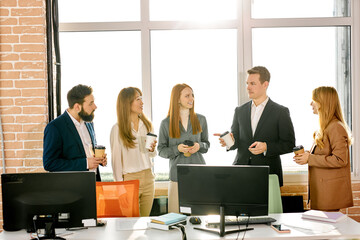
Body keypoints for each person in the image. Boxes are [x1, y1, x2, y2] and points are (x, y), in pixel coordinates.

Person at [215, 66, 295, 186]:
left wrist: (266, 147)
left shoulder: (280, 112)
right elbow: (236, 141)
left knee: (268, 206)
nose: (248, 87)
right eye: (247, 83)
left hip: (268, 174)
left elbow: (289, 144)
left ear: (265, 84)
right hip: (240, 173)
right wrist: (229, 142)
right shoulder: (239, 111)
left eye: (253, 83)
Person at [293, 86, 353, 211]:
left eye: (314, 100)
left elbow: (340, 160)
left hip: (330, 195)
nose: (311, 103)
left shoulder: (336, 127)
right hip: (322, 193)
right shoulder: (325, 127)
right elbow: (323, 154)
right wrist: (307, 155)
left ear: (323, 102)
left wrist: (310, 158)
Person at [158, 83, 210, 213]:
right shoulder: (166, 123)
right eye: (187, 96)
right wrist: (177, 149)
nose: (191, 98)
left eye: (192, 95)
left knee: (199, 216)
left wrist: (199, 146)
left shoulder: (201, 119)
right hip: (177, 177)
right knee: (175, 217)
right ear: (177, 99)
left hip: (199, 174)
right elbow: (160, 150)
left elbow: (206, 145)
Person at [43, 84, 106, 181]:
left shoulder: (89, 123)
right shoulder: (55, 127)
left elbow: (88, 152)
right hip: (72, 188)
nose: (95, 107)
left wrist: (99, 160)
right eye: (91, 103)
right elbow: (49, 163)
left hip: (94, 184)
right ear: (77, 107)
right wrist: (85, 163)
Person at [110, 87, 157, 217]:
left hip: (148, 177)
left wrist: (152, 150)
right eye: (138, 99)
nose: (142, 102)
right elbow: (116, 162)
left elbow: (150, 154)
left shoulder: (147, 125)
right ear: (127, 103)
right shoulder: (117, 129)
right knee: (130, 224)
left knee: (144, 222)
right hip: (130, 180)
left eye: (141, 98)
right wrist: (120, 189)